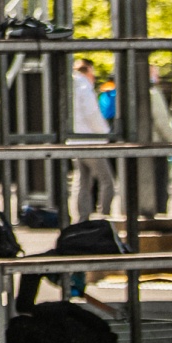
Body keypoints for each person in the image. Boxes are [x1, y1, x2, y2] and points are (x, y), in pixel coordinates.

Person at [70, 57, 115, 222]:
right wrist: (105, 133)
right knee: (107, 181)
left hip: (75, 142)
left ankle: (82, 218)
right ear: (88, 71)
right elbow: (93, 115)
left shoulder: (71, 86)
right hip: (91, 141)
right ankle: (105, 217)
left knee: (82, 181)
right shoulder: (84, 87)